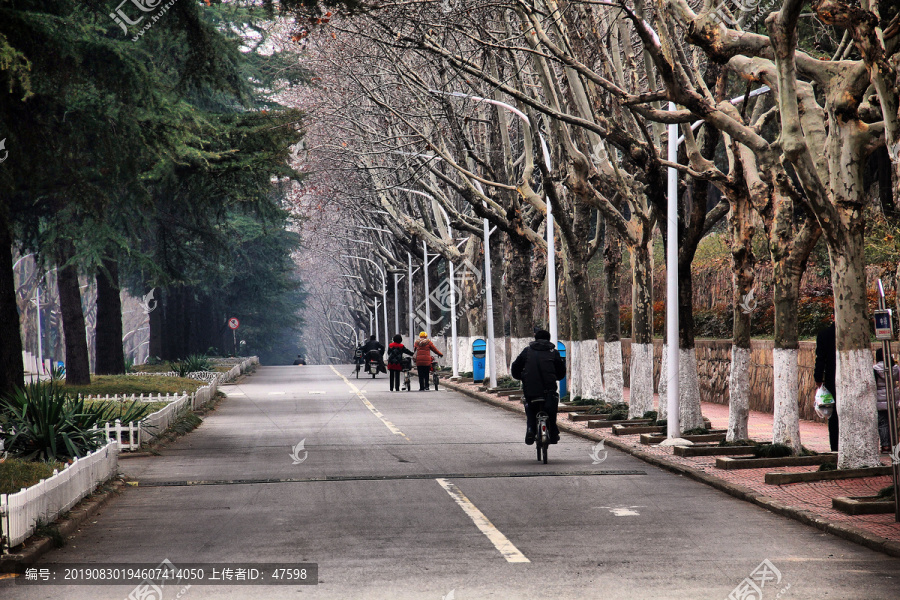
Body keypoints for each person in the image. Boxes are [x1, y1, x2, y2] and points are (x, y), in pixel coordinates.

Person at [511, 329, 566, 445]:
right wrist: (555, 377)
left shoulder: (527, 351)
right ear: (549, 339)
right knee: (552, 405)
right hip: (549, 389)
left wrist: (521, 377)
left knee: (529, 405)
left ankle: (530, 429)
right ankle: (554, 432)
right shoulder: (554, 353)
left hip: (530, 388)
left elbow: (515, 367)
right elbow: (561, 371)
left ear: (535, 339)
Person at [814, 321, 838, 451]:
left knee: (833, 415)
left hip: (831, 379)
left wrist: (818, 378)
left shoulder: (824, 334)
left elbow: (820, 358)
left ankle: (835, 447)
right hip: (849, 378)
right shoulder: (853, 333)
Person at [874, 348, 899, 453]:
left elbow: (874, 384)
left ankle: (885, 446)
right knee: (893, 421)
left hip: (880, 399)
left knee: (883, 423)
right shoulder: (895, 368)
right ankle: (894, 443)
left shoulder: (875, 369)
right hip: (894, 397)